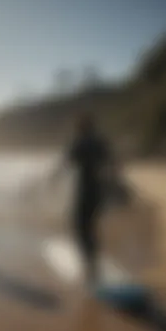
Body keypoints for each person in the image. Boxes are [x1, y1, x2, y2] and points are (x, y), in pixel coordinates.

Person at [51, 113, 114, 286]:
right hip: (98, 191)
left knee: (79, 226)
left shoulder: (79, 143)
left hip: (85, 190)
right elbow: (111, 165)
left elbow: (65, 163)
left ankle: (91, 266)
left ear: (80, 128)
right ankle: (93, 263)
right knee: (90, 227)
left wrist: (53, 179)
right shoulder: (101, 143)